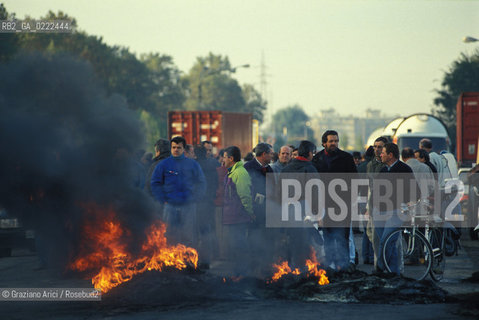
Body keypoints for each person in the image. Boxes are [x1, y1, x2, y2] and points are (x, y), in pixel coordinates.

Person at [312, 130, 357, 272]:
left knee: (343, 238)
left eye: (336, 141)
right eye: (331, 141)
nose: (334, 144)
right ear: (324, 143)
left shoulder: (346, 158)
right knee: (328, 236)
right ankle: (330, 266)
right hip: (324, 204)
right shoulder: (317, 159)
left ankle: (343, 266)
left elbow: (355, 181)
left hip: (342, 205)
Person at [150, 136, 206, 247]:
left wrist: (195, 198)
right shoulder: (163, 165)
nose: (176, 150)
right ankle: (171, 262)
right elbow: (155, 183)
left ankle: (188, 261)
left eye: (179, 148)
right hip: (169, 206)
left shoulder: (193, 165)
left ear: (183, 149)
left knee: (188, 235)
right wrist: (162, 199)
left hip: (188, 206)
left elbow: (201, 183)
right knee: (170, 235)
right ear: (171, 148)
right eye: (174, 147)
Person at [373, 143, 419, 274]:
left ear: (390, 155)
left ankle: (380, 269)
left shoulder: (404, 169)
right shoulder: (383, 170)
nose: (380, 155)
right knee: (389, 244)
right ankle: (393, 272)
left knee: (386, 242)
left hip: (395, 211)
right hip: (379, 211)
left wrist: (408, 203)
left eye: (383, 153)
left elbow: (415, 191)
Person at [280, 140, 319, 268]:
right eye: (313, 153)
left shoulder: (286, 169)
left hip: (287, 211)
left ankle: (290, 268)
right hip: (305, 212)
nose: (313, 155)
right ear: (309, 153)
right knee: (305, 241)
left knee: (291, 240)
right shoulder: (310, 168)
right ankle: (303, 269)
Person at [222, 146, 254, 277]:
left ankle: (242, 273)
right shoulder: (232, 171)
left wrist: (250, 212)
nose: (222, 160)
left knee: (239, 246)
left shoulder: (240, 173)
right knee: (234, 246)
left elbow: (245, 195)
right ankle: (238, 271)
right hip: (233, 217)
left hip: (239, 217)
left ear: (231, 158)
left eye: (224, 157)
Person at [244, 142, 274, 275]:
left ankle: (263, 266)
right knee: (252, 239)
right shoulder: (248, 167)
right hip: (252, 212)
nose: (272, 155)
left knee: (265, 239)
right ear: (263, 154)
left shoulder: (269, 169)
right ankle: (251, 268)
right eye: (271, 153)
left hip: (266, 212)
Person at [194, 144, 219, 268]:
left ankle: (196, 260)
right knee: (208, 231)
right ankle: (207, 259)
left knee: (196, 232)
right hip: (209, 202)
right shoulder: (213, 164)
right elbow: (216, 181)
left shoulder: (194, 165)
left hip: (197, 202)